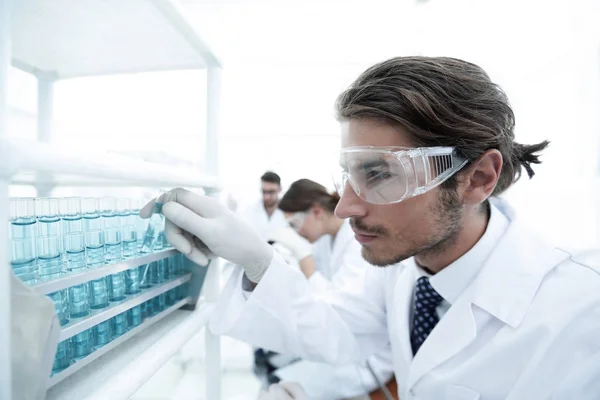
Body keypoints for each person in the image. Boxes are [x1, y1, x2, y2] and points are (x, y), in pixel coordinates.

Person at [142, 56, 600, 399]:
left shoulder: (582, 313)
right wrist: (256, 262)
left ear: (477, 178)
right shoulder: (401, 268)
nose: (344, 208)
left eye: (379, 175)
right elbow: (337, 330)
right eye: (349, 176)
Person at [265, 179, 395, 399]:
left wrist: (303, 255)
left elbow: (339, 310)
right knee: (277, 377)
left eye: (295, 224)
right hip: (345, 344)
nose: (297, 233)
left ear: (316, 212)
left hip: (368, 356)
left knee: (284, 388)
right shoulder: (326, 241)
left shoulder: (357, 241)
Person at [240, 171, 288, 240]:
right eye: (264, 191)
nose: (266, 197)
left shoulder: (289, 212)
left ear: (280, 189)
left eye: (271, 192)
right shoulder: (249, 211)